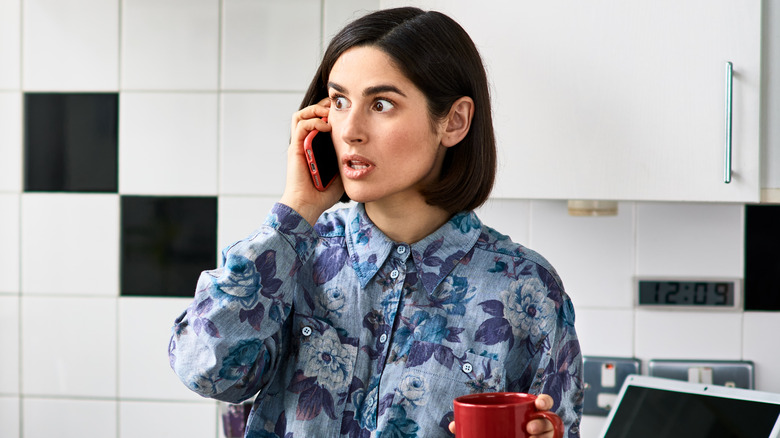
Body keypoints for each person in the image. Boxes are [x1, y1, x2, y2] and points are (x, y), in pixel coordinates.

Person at [169, 7, 583, 438]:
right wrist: (295, 212)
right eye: (340, 101)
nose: (350, 130)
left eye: (381, 104)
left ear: (454, 121)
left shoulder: (527, 289)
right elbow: (204, 370)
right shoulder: (294, 253)